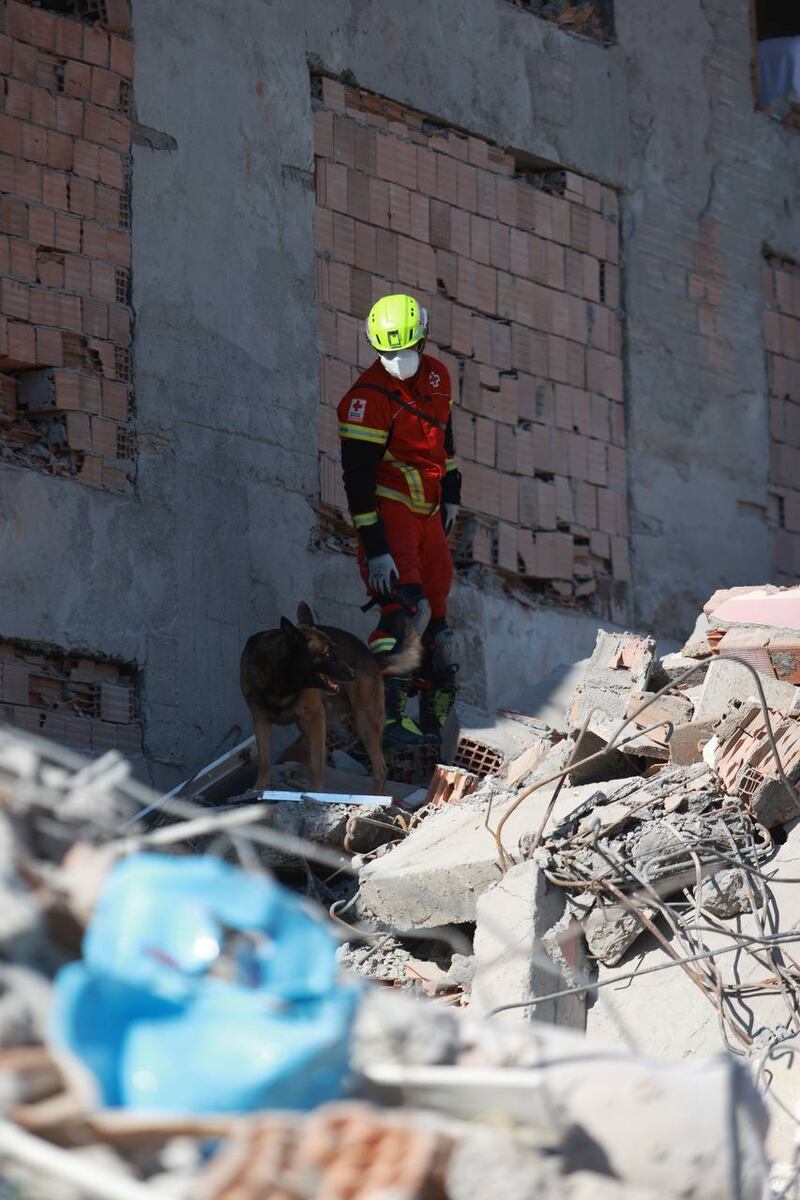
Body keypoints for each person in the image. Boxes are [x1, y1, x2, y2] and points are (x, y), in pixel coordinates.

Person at [336, 293, 461, 748]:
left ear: (423, 338)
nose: (399, 361)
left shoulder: (438, 376)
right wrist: (377, 548)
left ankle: (434, 722)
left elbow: (443, 441)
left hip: (428, 511)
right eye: (389, 353)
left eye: (407, 350)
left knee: (441, 631)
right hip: (391, 509)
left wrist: (451, 493)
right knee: (403, 616)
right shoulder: (366, 400)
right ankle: (389, 719)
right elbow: (357, 481)